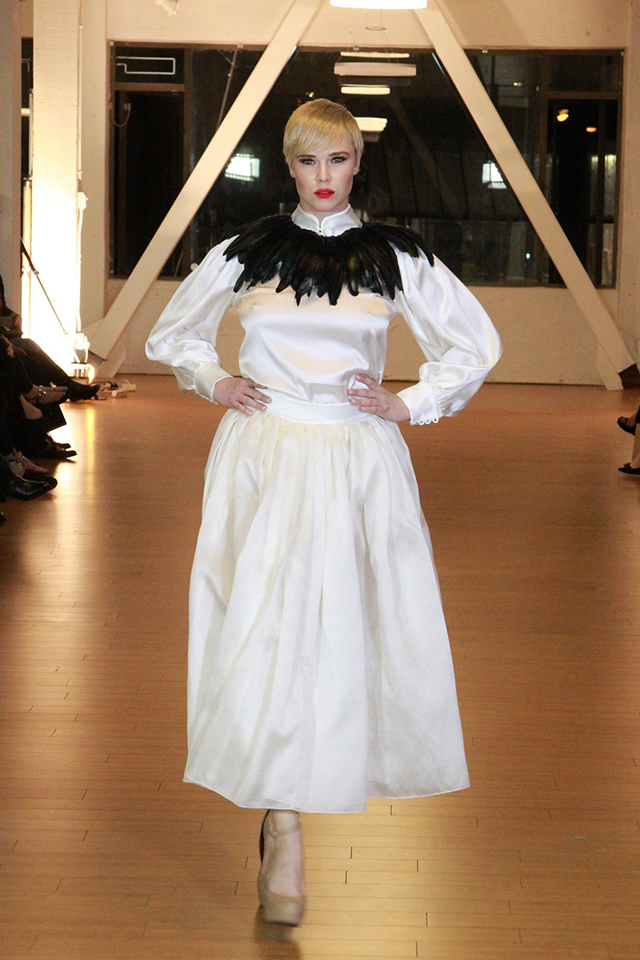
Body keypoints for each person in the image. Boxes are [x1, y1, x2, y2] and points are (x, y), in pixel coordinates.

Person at [146, 99, 502, 927]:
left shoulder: (395, 256)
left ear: (357, 163)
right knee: (265, 625)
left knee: (346, 629)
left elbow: (474, 344)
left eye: (338, 159)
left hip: (356, 455)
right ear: (290, 167)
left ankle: (301, 795)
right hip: (264, 453)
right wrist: (215, 380)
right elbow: (174, 332)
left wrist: (413, 403)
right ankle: (284, 820)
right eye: (308, 161)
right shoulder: (246, 250)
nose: (323, 176)